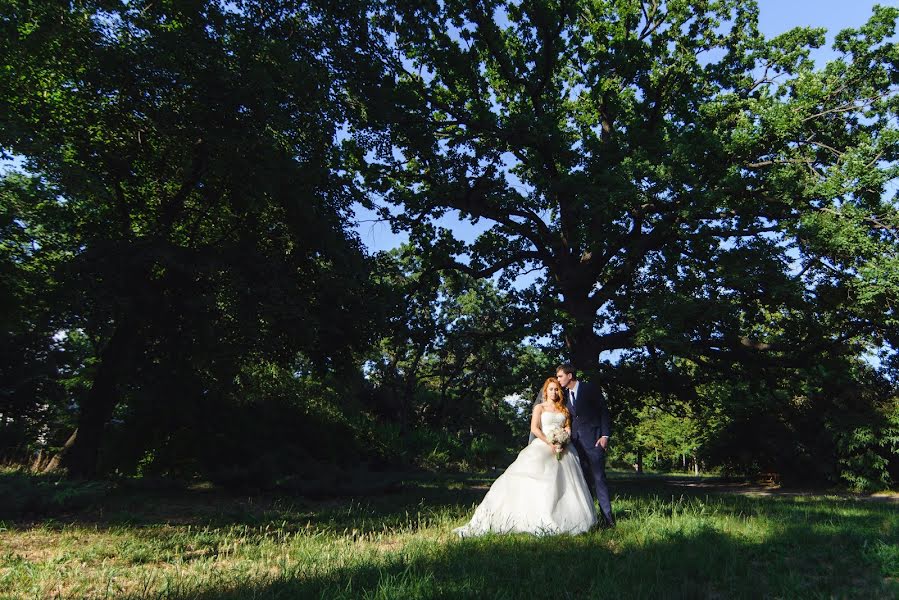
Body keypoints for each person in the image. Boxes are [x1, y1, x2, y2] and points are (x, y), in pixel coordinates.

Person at [453, 377, 597, 537]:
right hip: (544, 445)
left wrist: (564, 439)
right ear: (546, 391)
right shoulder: (540, 408)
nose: (554, 392)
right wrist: (550, 442)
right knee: (539, 482)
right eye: (551, 389)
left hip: (564, 449)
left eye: (556, 389)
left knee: (566, 485)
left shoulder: (563, 409)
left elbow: (568, 427)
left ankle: (568, 519)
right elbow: (535, 428)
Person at [556, 363, 615, 528]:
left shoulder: (590, 389)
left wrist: (605, 436)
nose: (558, 379)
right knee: (583, 481)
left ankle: (608, 519)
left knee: (599, 479)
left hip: (595, 441)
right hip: (575, 445)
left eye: (560, 376)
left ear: (570, 375)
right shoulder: (564, 396)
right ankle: (590, 520)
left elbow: (603, 411)